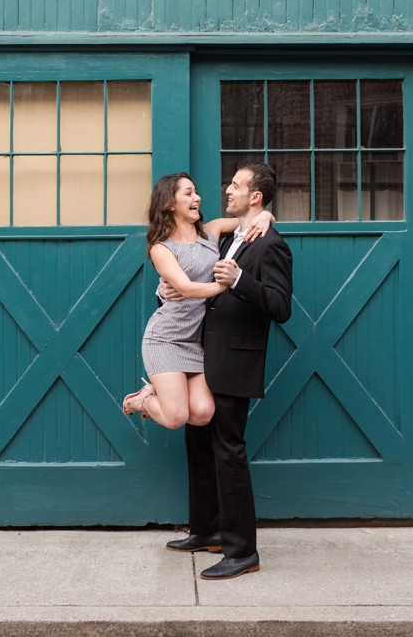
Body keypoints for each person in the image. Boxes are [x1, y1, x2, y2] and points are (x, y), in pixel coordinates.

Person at [162, 161, 293, 581]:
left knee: (228, 452)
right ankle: (207, 530)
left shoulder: (270, 243)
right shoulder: (231, 236)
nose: (227, 190)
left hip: (235, 361)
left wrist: (239, 281)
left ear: (256, 196)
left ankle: (242, 552)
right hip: (201, 356)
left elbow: (280, 306)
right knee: (198, 444)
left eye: (236, 185)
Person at [121, 172, 273, 430]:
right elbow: (186, 288)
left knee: (202, 414)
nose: (197, 197)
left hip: (194, 341)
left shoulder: (210, 232)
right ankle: (142, 401)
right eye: (188, 193)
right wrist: (227, 285)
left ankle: (155, 398)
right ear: (170, 203)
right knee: (176, 417)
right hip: (165, 338)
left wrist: (268, 215)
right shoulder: (162, 248)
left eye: (196, 191)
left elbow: (248, 217)